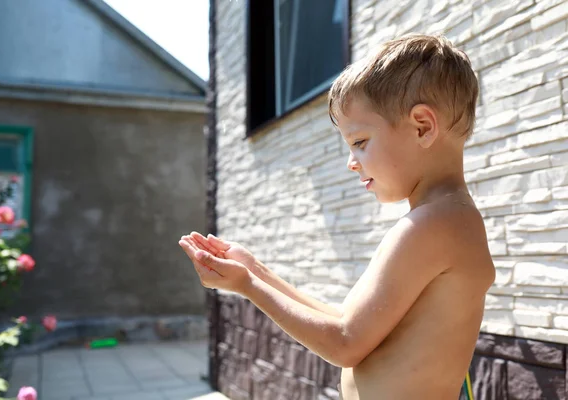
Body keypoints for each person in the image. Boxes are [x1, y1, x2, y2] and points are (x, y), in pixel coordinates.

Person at [179, 33, 496, 400]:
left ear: (422, 126)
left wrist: (248, 287)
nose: (351, 162)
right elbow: (346, 321)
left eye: (360, 142)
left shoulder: (429, 227)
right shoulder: (452, 220)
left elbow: (344, 343)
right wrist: (254, 270)